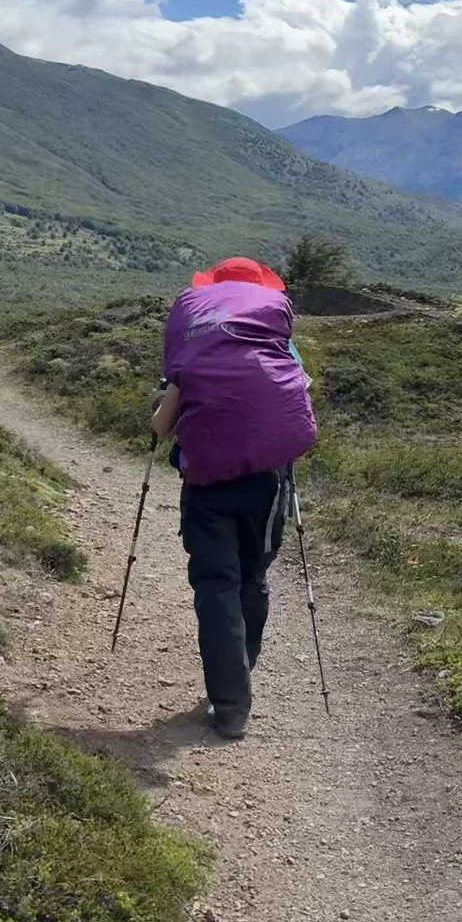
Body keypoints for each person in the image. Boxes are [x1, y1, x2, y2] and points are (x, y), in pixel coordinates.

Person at [150, 256, 318, 739]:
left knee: (215, 586)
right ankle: (244, 667)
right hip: (266, 488)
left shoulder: (196, 346)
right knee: (253, 578)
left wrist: (161, 405)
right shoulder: (281, 346)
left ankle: (230, 707)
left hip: (206, 488)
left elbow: (162, 428)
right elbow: (300, 415)